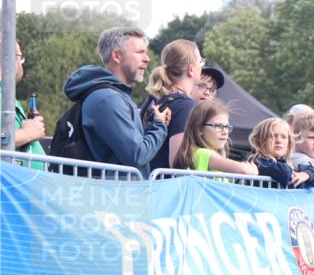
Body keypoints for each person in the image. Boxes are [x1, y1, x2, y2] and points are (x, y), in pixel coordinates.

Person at [62, 27, 170, 176]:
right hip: (113, 195)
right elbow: (137, 155)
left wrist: (150, 125)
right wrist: (159, 126)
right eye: (139, 52)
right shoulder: (107, 99)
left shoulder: (114, 95)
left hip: (115, 193)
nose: (147, 58)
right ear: (117, 56)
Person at [139, 39, 203, 170]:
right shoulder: (186, 106)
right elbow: (177, 161)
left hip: (147, 184)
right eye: (200, 62)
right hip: (168, 188)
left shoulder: (154, 99)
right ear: (191, 69)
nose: (202, 66)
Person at [172, 100, 257, 175]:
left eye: (227, 127)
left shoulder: (198, 152)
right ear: (199, 129)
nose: (225, 132)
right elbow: (244, 170)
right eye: (218, 126)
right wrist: (253, 169)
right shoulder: (203, 153)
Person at [0, 39, 46, 170]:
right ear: (10, 60)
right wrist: (27, 133)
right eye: (20, 58)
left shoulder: (6, 96)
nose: (21, 64)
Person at [248, 117, 314, 188]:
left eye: (283, 137)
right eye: (272, 136)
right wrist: (297, 174)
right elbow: (285, 173)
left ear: (289, 143)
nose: (279, 141)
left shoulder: (287, 162)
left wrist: (305, 174)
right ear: (260, 140)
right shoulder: (259, 162)